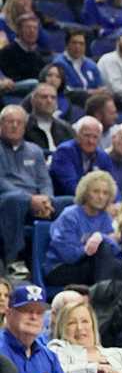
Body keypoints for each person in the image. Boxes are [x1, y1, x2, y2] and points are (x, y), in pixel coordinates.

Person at [45, 170, 122, 291]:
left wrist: (100, 237)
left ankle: (104, 299)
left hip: (93, 267)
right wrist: (89, 248)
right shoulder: (70, 215)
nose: (101, 196)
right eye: (96, 191)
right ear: (85, 193)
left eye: (105, 193)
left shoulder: (104, 217)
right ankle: (103, 301)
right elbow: (68, 256)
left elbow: (115, 250)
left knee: (117, 265)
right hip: (61, 268)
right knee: (104, 253)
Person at [0, 104, 57, 270]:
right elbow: (1, 181)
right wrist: (30, 199)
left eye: (19, 122)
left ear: (25, 127)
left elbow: (44, 181)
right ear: (1, 124)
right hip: (7, 200)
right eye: (10, 122)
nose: (14, 125)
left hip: (36, 201)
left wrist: (47, 199)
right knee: (14, 200)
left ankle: (54, 263)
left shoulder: (35, 151)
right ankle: (14, 259)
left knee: (67, 203)